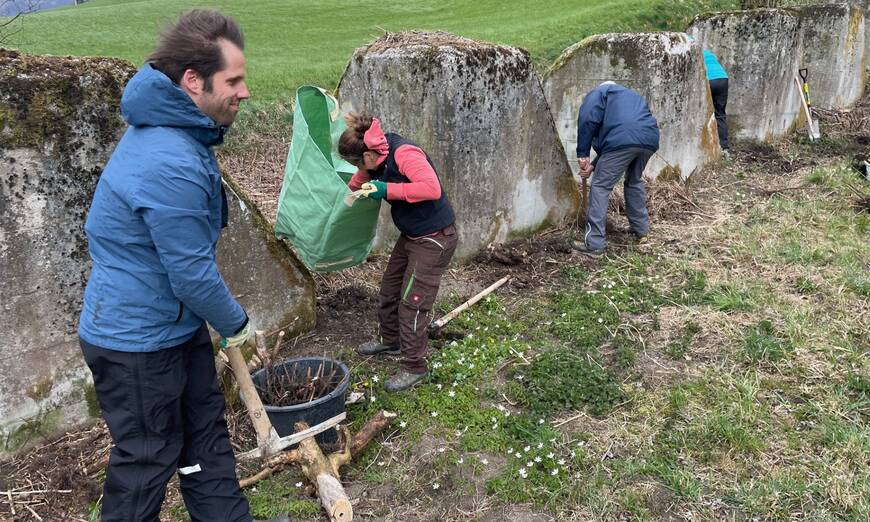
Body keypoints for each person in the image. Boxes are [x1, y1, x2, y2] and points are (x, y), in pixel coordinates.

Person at [78, 10, 284, 522]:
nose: (245, 91)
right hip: (138, 344)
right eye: (233, 80)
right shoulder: (170, 159)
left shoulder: (176, 134)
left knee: (205, 446)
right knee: (147, 461)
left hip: (176, 326)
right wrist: (236, 324)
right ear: (193, 81)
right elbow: (190, 273)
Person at [338, 112, 458, 392]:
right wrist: (343, 198)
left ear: (368, 155)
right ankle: (391, 340)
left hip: (435, 238)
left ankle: (415, 366)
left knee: (412, 302)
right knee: (389, 289)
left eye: (356, 162)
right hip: (412, 234)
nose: (357, 168)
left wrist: (386, 190)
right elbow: (359, 179)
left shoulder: (405, 154)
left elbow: (431, 188)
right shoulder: (373, 158)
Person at [573, 81, 660, 257]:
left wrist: (583, 153)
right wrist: (593, 165)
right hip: (649, 140)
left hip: (623, 141)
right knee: (634, 181)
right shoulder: (632, 97)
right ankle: (640, 230)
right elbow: (621, 139)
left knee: (600, 187)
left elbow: (588, 118)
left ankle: (594, 243)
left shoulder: (601, 92)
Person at [689, 35, 729, 153]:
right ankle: (724, 148)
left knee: (698, 111)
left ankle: (700, 146)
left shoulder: (690, 53)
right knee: (720, 114)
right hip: (722, 78)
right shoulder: (707, 52)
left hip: (709, 79)